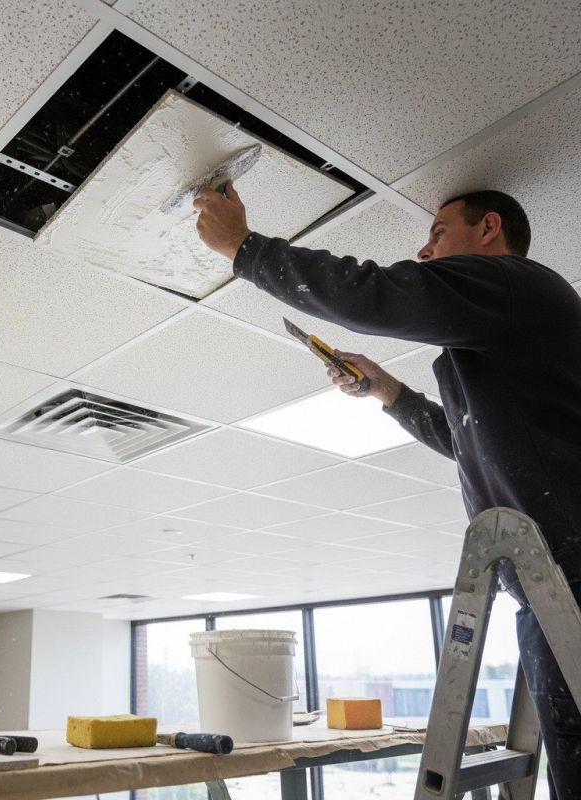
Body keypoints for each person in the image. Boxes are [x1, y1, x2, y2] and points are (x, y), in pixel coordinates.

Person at [194, 185, 581, 798]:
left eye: (437, 232)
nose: (424, 252)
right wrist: (387, 392)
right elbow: (468, 442)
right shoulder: (505, 336)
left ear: (488, 230)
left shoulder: (513, 283)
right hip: (550, 587)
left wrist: (245, 248)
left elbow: (376, 294)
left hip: (570, 579)